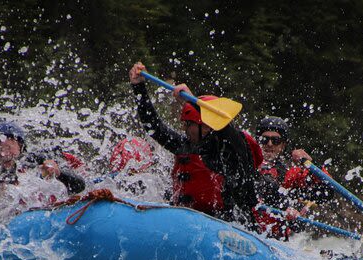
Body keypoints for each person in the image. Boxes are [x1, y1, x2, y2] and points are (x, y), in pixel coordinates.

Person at [128, 62, 262, 227]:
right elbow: (154, 127)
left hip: (233, 227)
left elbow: (227, 133)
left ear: (206, 126)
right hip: (191, 222)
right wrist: (138, 87)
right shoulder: (186, 145)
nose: (184, 128)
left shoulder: (232, 151)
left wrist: (195, 103)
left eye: (188, 124)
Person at [253, 116, 335, 240]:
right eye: (264, 139)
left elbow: (327, 191)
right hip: (243, 227)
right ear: (257, 141)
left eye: (275, 140)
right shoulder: (246, 165)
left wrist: (310, 164)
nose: (269, 144)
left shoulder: (289, 174)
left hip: (272, 239)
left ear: (283, 145)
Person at [0, 121, 86, 220]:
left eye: (8, 147)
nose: (3, 154)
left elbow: (81, 186)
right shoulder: (6, 177)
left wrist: (59, 173)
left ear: (21, 146)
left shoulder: (43, 158)